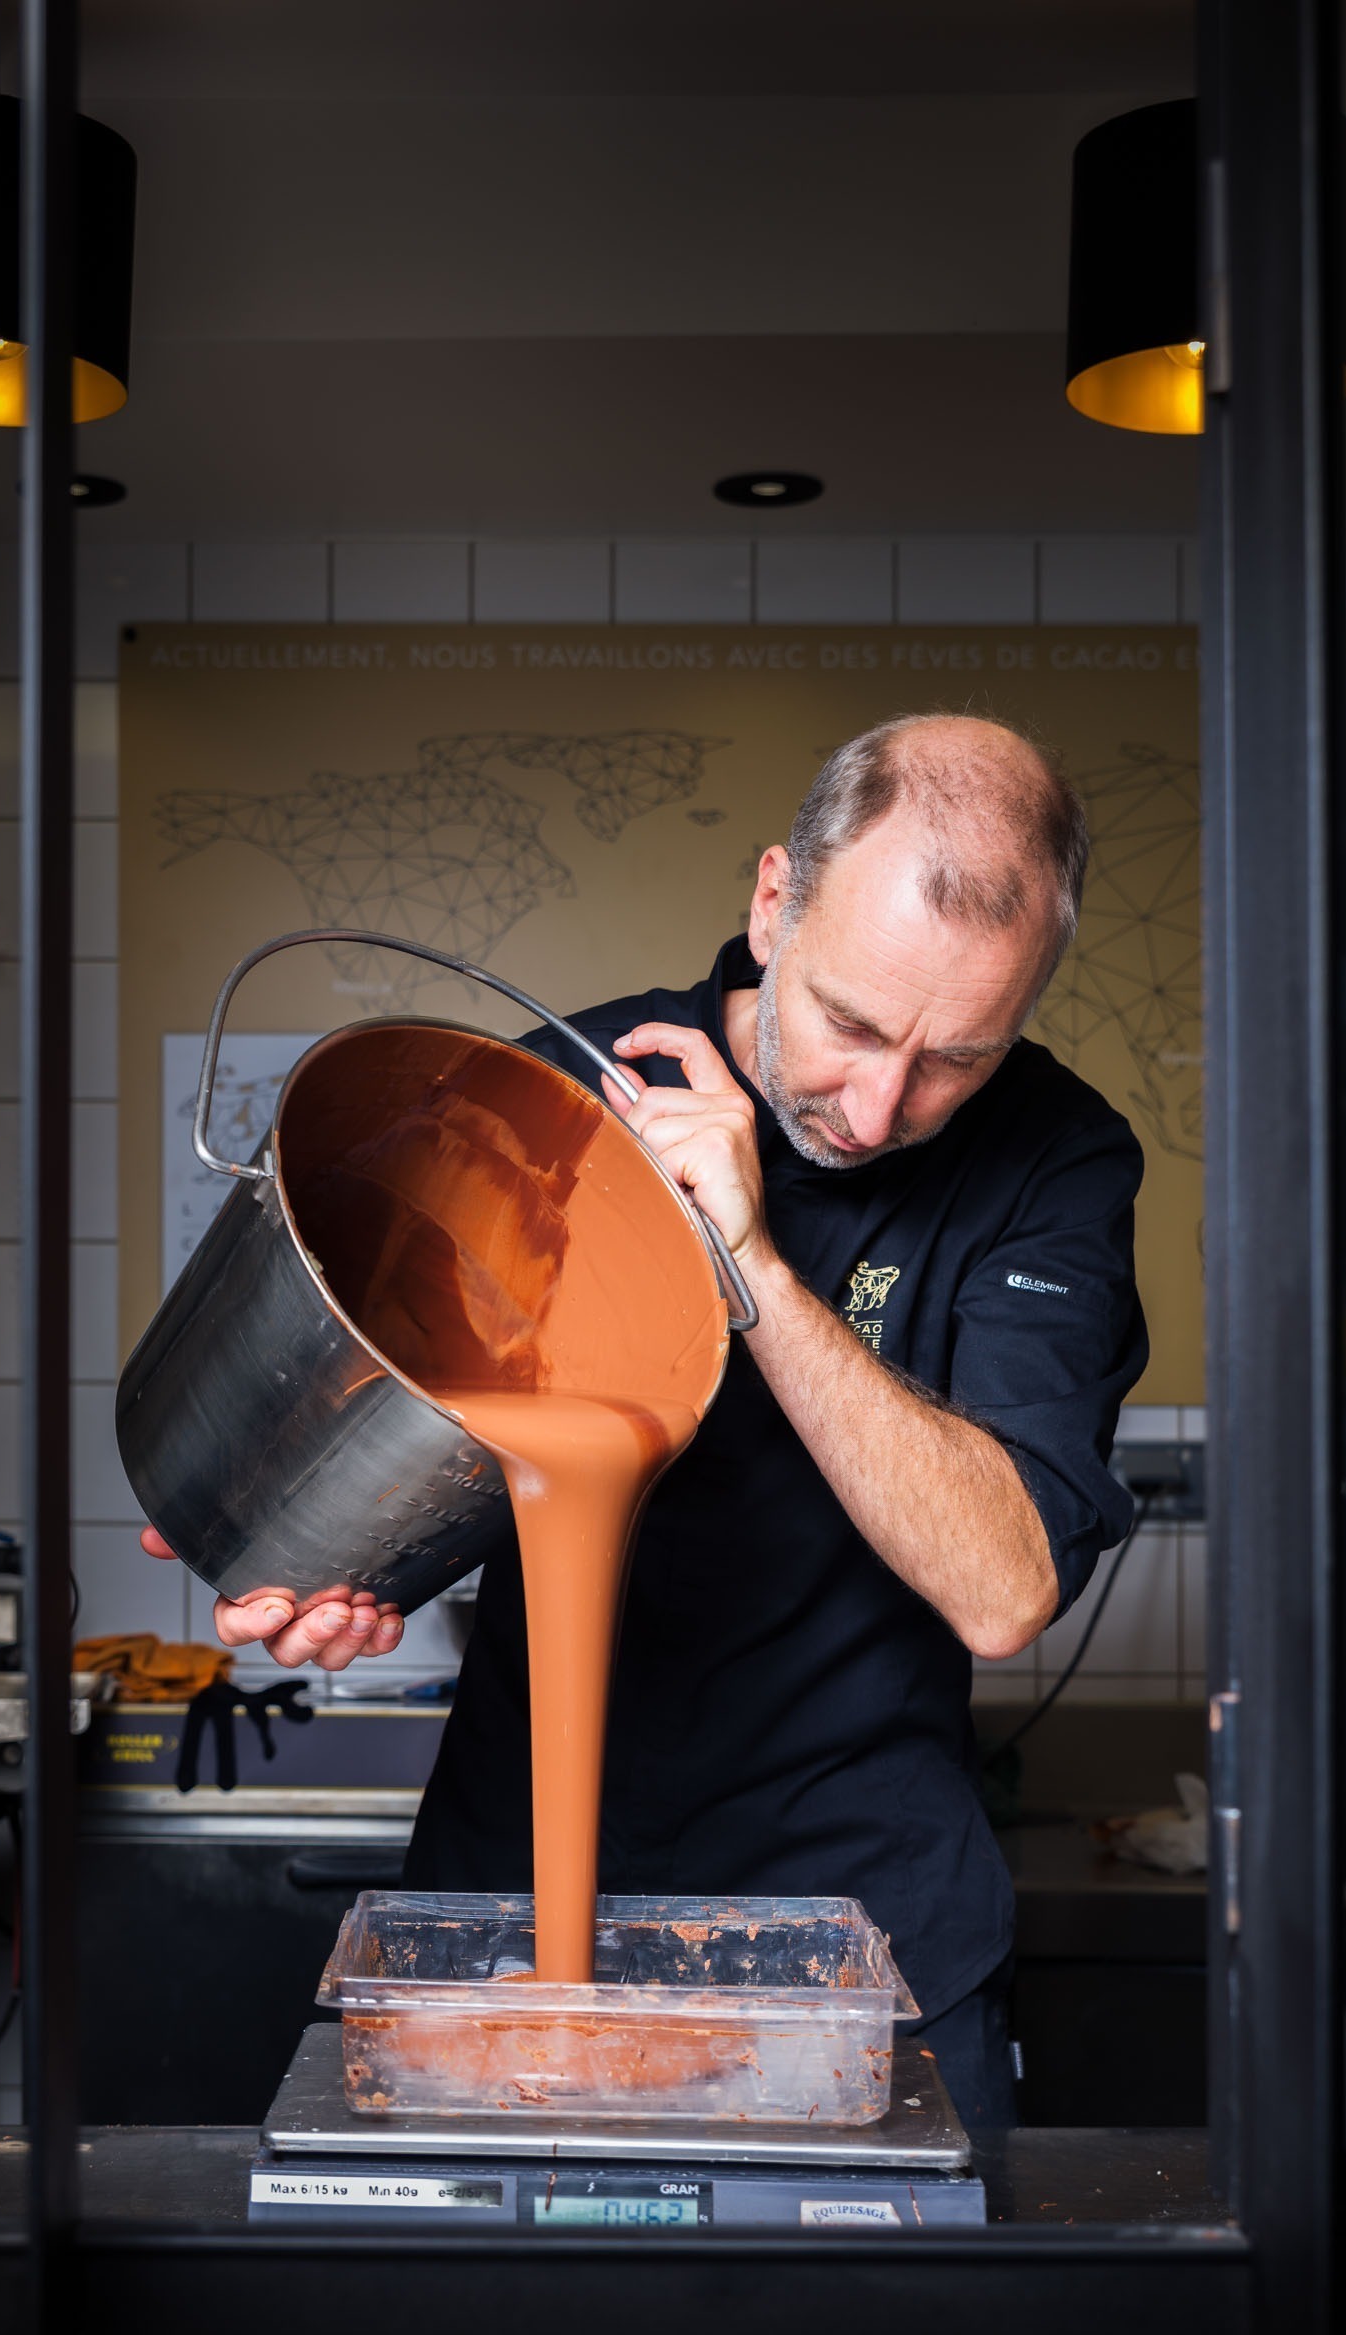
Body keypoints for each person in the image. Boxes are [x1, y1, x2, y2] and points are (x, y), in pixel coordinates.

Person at [141, 713, 1148, 2123]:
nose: (875, 1105)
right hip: (517, 1906)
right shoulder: (554, 1099)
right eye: (852, 1024)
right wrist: (357, 1570)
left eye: (957, 1059)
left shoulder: (1058, 1162)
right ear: (772, 902)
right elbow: (436, 1455)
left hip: (862, 1931)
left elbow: (1002, 1589)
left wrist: (760, 1273)